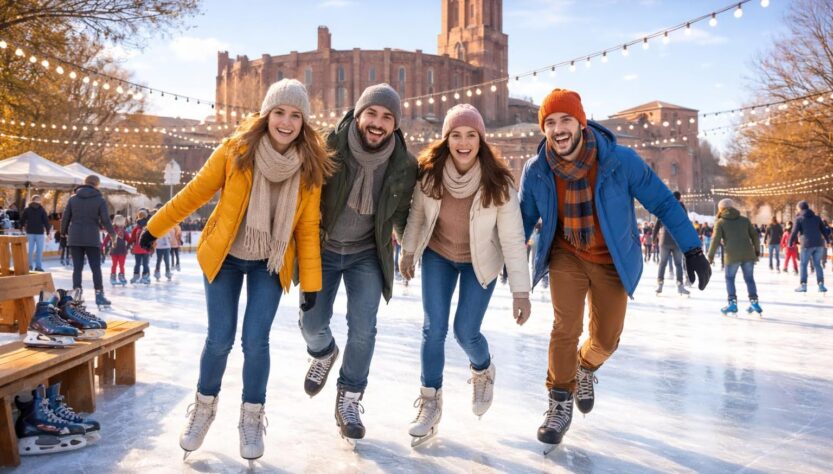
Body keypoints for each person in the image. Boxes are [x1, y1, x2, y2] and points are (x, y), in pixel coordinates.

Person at [139, 79, 333, 463]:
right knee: (219, 339)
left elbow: (307, 228)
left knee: (256, 341)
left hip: (269, 263)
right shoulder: (235, 151)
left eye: (296, 115)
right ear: (266, 114)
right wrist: (154, 227)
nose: (286, 121)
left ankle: (251, 417)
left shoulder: (309, 168)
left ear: (303, 122)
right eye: (279, 112)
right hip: (224, 257)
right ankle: (204, 408)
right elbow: (195, 192)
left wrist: (311, 286)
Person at [519, 88, 710, 449]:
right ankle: (558, 403)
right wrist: (505, 262)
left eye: (565, 120)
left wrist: (692, 248)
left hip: (611, 258)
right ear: (544, 128)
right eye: (550, 123)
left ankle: (585, 368)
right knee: (565, 326)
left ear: (580, 122)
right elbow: (522, 222)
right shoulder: (537, 170)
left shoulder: (620, 161)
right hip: (566, 253)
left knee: (606, 339)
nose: (558, 130)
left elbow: (664, 203)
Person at [398, 104, 531, 446]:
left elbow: (514, 239)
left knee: (465, 331)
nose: (463, 141)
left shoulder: (498, 183)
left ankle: (483, 369)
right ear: (446, 139)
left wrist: (521, 291)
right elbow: (416, 216)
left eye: (471, 135)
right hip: (439, 256)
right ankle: (430, 404)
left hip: (479, 262)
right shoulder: (429, 174)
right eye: (456, 134)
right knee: (434, 327)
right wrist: (409, 250)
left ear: (481, 140)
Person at [297, 83, 418, 445]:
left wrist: (409, 249)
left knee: (364, 327)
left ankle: (349, 397)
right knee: (311, 322)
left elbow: (400, 215)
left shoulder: (403, 165)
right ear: (359, 114)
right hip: (324, 249)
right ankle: (323, 352)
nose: (378, 123)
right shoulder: (327, 148)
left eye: (387, 117)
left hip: (367, 252)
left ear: (395, 124)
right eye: (372, 114)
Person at [61, 175, 116, 308]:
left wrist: (63, 233)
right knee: (95, 267)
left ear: (84, 183)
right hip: (92, 236)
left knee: (77, 268)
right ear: (97, 185)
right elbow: (105, 220)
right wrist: (113, 234)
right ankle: (99, 295)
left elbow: (65, 217)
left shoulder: (73, 199)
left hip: (75, 237)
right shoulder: (99, 200)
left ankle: (77, 295)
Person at [707, 199, 762, 315]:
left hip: (732, 255)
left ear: (721, 209)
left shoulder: (720, 222)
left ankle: (732, 303)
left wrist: (710, 257)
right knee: (749, 278)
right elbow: (755, 236)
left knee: (730, 278)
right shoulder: (744, 220)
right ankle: (754, 302)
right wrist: (756, 250)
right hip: (748, 254)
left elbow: (715, 240)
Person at [653, 191, 689, 295]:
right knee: (678, 264)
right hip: (678, 240)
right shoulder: (682, 209)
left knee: (662, 263)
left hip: (664, 240)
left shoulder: (664, 208)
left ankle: (660, 284)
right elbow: (685, 224)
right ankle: (680, 286)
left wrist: (654, 238)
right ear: (679, 198)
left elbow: (657, 224)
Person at [789, 200, 829, 293]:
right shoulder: (817, 218)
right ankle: (821, 285)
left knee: (803, 264)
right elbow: (823, 230)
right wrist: (827, 240)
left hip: (807, 244)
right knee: (817, 264)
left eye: (797, 208)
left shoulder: (799, 219)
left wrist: (790, 242)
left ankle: (803, 285)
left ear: (800, 208)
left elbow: (794, 232)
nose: (797, 210)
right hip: (819, 244)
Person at [20, 195, 50, 272]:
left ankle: (30, 266)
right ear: (37, 201)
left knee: (30, 250)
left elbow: (22, 219)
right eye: (39, 200)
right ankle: (38, 267)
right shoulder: (42, 210)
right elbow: (46, 221)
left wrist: (21, 227)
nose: (39, 201)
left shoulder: (27, 209)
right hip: (39, 232)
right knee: (39, 250)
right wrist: (48, 231)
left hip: (30, 232)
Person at [102, 215, 129, 286]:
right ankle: (116, 277)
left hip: (119, 250)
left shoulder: (123, 231)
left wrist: (103, 245)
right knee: (119, 265)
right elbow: (107, 238)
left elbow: (128, 239)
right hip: (118, 250)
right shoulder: (115, 231)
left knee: (117, 265)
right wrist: (103, 245)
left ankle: (119, 277)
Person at [129, 210, 152, 284]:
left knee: (138, 263)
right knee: (144, 264)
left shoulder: (137, 227)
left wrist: (131, 245)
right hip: (144, 249)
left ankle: (138, 275)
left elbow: (132, 238)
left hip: (139, 249)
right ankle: (145, 276)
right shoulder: (148, 226)